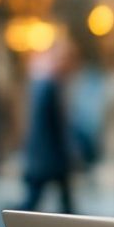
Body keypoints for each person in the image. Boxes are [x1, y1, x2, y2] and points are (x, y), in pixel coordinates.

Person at [19, 38, 77, 213]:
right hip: (48, 158)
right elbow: (52, 128)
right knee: (32, 205)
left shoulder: (42, 84)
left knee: (39, 203)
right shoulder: (47, 86)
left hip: (44, 157)